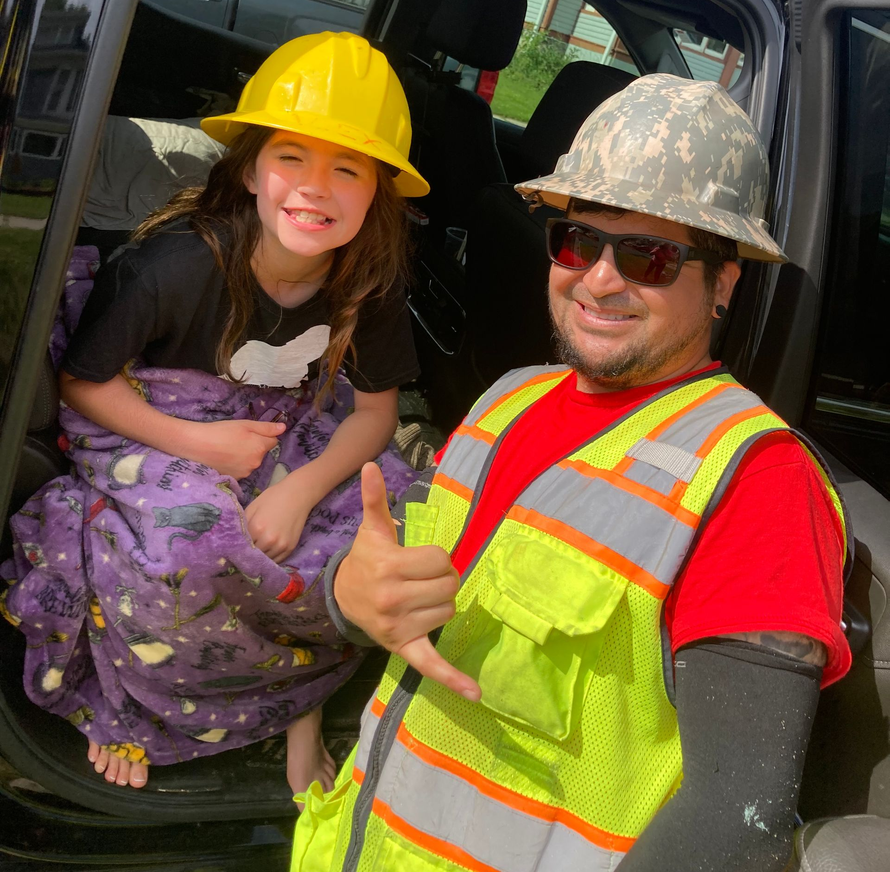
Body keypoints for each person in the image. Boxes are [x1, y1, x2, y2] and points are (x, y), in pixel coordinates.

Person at [289, 75, 851, 872]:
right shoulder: (508, 399)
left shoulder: (756, 481)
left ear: (722, 283)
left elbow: (737, 821)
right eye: (578, 241)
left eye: (651, 256)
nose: (598, 279)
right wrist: (347, 595)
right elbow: (401, 597)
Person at [1, 33, 428, 795]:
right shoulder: (175, 266)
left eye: (348, 168)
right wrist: (200, 444)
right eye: (291, 156)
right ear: (253, 168)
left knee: (381, 524)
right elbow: (84, 384)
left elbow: (373, 415)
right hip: (147, 412)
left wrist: (297, 490)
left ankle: (300, 703)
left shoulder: (368, 283)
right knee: (193, 541)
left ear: (379, 190)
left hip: (282, 418)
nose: (314, 188)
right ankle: (140, 702)